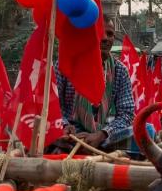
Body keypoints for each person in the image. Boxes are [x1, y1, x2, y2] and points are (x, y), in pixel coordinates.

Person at [54, 17, 135, 153]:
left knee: (147, 130)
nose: (105, 38)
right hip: (70, 136)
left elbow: (126, 113)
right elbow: (53, 105)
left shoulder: (120, 70)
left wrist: (102, 134)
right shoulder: (64, 65)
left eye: (110, 34)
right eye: (99, 32)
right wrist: (64, 126)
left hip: (105, 136)